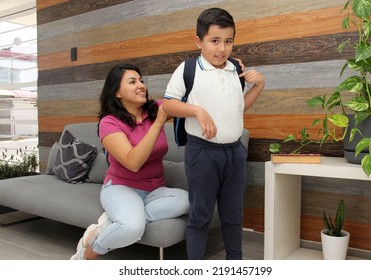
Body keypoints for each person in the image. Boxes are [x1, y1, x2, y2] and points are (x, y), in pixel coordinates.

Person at [162, 8, 265, 260]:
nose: (222, 49)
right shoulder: (187, 69)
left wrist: (259, 85)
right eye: (214, 41)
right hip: (202, 153)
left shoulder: (235, 71)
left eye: (228, 41)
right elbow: (167, 105)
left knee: (233, 217)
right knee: (200, 217)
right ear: (199, 41)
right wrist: (197, 110)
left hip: (235, 152)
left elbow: (239, 106)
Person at [70, 64, 190, 260]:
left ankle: (110, 224)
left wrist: (227, 71)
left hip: (155, 190)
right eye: (133, 82)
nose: (141, 85)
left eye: (141, 80)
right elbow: (132, 163)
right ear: (117, 92)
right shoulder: (109, 123)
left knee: (188, 200)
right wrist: (159, 122)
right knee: (133, 228)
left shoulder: (156, 108)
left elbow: (189, 99)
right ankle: (89, 252)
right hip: (121, 187)